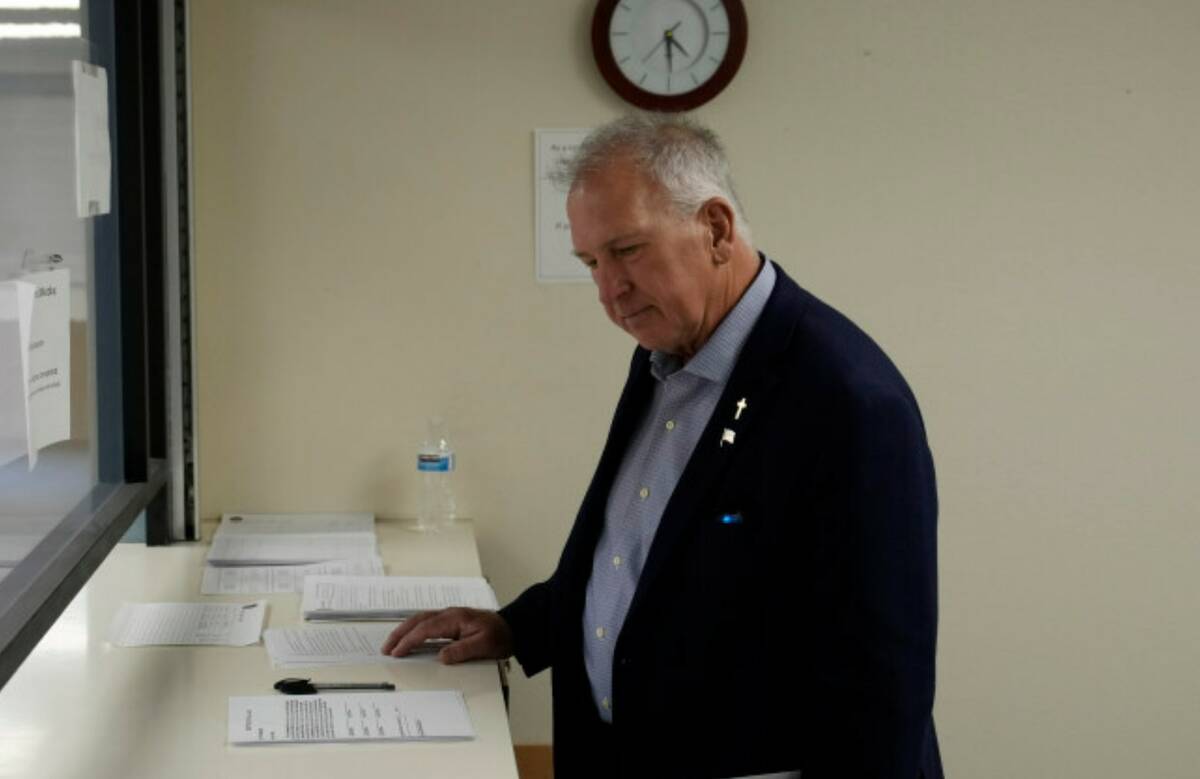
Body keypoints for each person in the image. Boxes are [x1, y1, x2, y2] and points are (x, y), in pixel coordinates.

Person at [383, 114, 942, 778]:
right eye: (591, 262)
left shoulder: (847, 400)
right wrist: (516, 627)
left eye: (627, 251)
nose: (608, 290)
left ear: (714, 228)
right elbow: (634, 555)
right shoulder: (665, 351)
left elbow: (883, 679)